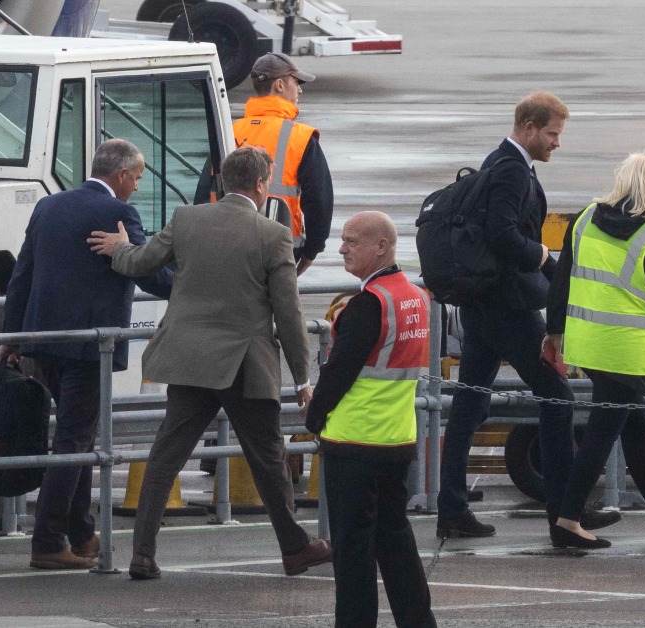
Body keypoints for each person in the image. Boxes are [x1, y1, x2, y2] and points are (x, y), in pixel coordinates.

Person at [87, 147, 331, 580]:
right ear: (260, 185)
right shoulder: (272, 234)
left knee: (166, 456)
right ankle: (294, 548)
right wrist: (302, 378)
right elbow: (289, 315)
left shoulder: (187, 219)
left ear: (221, 183)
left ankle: (142, 552)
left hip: (189, 360)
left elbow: (142, 262)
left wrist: (119, 249)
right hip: (245, 365)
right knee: (269, 459)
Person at [436, 92, 620, 538]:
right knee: (558, 399)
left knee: (469, 405)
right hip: (507, 308)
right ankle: (564, 511)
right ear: (529, 128)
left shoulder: (497, 160)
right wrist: (542, 255)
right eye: (553, 134)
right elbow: (503, 235)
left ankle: (452, 510)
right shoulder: (514, 171)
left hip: (481, 305)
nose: (557, 143)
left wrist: (551, 268)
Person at [0, 138, 172, 569]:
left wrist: (13, 339)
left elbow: (22, 275)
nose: (137, 185)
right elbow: (148, 273)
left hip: (43, 342)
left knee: (79, 438)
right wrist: (194, 285)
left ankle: (82, 532)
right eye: (137, 176)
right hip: (89, 348)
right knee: (74, 441)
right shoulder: (118, 213)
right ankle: (48, 541)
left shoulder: (49, 206)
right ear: (121, 175)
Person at [543, 151, 645, 549]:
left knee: (632, 426)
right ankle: (567, 520)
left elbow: (562, 280)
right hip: (628, 352)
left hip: (587, 345)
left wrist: (553, 332)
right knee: (601, 433)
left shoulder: (584, 220)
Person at [305, 211, 438, 628]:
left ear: (381, 247)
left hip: (354, 443)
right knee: (396, 543)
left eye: (352, 241)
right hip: (396, 440)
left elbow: (338, 372)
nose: (341, 248)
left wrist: (313, 416)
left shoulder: (368, 304)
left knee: (353, 554)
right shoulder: (416, 297)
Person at [233, 51, 334, 276]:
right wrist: (311, 251)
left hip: (227, 247)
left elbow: (204, 192)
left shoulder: (228, 130)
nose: (300, 89)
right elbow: (319, 201)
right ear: (279, 85)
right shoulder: (300, 137)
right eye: (296, 82)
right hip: (280, 251)